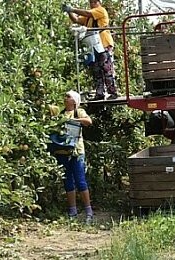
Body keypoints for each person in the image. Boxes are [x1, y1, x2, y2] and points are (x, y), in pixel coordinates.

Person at [63, 0, 118, 100]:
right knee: (96, 70)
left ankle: (113, 92)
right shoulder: (88, 17)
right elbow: (76, 20)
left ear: (98, 2)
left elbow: (87, 13)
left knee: (106, 68)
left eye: (94, 2)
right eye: (91, 2)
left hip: (103, 43)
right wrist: (69, 12)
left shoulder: (101, 11)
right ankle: (99, 93)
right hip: (93, 46)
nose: (92, 4)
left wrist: (73, 9)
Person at [53, 90, 94, 223]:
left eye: (68, 96)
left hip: (76, 152)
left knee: (80, 181)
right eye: (65, 96)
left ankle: (88, 211)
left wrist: (72, 120)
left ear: (75, 101)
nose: (65, 98)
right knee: (68, 182)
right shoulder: (60, 113)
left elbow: (89, 122)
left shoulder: (78, 112)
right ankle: (72, 211)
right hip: (62, 152)